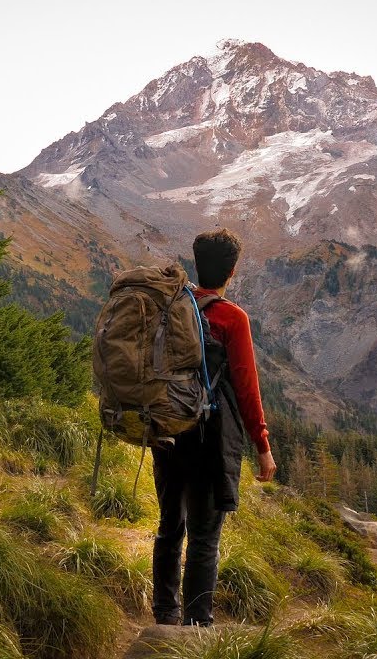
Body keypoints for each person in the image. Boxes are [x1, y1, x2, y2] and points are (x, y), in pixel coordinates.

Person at [151, 227, 277, 627]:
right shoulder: (231, 317)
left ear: (196, 262)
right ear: (232, 271)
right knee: (204, 538)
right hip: (208, 438)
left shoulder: (173, 307)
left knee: (170, 526)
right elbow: (245, 385)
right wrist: (262, 445)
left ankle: (164, 618)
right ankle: (197, 627)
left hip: (167, 429)